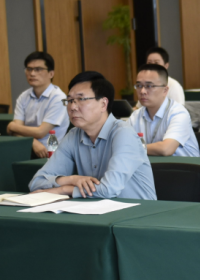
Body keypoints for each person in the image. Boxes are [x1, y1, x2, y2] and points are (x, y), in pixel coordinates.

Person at [29, 71, 156, 199]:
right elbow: (36, 182)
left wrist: (63, 189)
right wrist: (73, 179)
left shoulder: (124, 133)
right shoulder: (73, 136)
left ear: (103, 104)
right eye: (70, 100)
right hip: (99, 209)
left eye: (81, 99)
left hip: (139, 210)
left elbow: (108, 189)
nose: (72, 107)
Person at [129, 64, 200, 157]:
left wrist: (132, 148)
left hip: (184, 165)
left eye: (149, 86)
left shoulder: (178, 113)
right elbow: (120, 144)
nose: (142, 91)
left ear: (165, 90)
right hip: (151, 165)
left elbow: (166, 149)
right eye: (139, 85)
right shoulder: (135, 116)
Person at [7, 51, 68, 159]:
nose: (32, 73)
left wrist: (12, 126)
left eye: (38, 69)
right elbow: (16, 130)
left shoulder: (58, 98)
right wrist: (33, 142)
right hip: (26, 150)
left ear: (51, 74)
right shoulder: (23, 96)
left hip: (50, 155)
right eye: (29, 69)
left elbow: (40, 132)